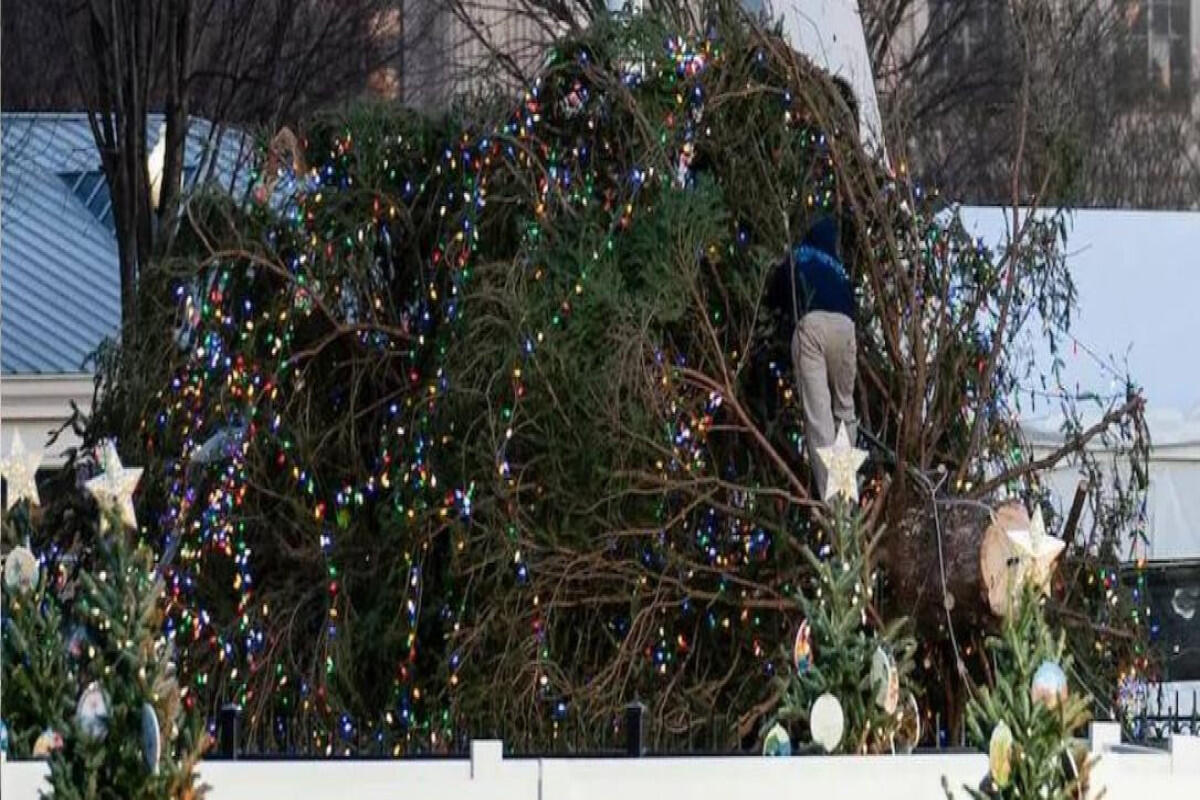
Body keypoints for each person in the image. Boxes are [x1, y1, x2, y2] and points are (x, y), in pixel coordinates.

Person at [768, 215, 857, 498]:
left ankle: (834, 506)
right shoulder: (839, 270)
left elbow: (775, 292)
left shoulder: (800, 256)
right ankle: (845, 491)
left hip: (813, 327)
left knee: (820, 420)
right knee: (844, 410)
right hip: (846, 329)